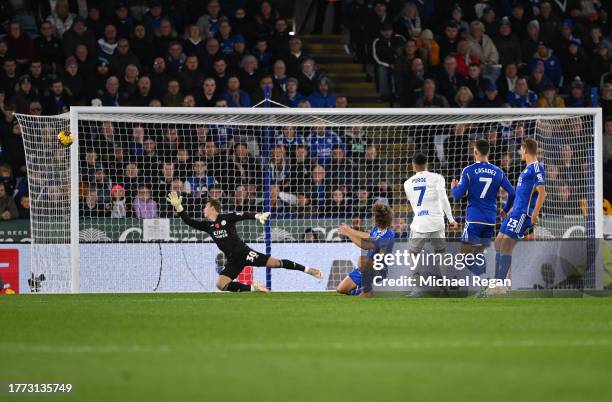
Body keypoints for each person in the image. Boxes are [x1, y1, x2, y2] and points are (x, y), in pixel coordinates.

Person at [167, 193, 322, 292]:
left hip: (245, 253)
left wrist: (257, 216)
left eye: (205, 206)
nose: (203, 209)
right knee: (221, 285)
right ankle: (254, 288)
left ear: (213, 208)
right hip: (233, 260)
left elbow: (242, 215)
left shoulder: (226, 218)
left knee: (277, 263)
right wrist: (179, 207)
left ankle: (309, 270)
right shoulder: (208, 226)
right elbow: (190, 222)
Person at [450, 140, 516, 285]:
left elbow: (457, 195)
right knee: (478, 254)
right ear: (489, 152)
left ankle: (484, 279)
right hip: (490, 220)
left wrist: (454, 187)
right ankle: (484, 288)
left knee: (464, 256)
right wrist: (505, 210)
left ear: (475, 152)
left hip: (474, 219)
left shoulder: (468, 170)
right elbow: (512, 193)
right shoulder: (498, 172)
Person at [494, 139, 546, 295]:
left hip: (524, 214)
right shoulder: (527, 169)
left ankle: (499, 285)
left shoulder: (536, 167)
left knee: (506, 245)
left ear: (525, 149)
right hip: (515, 212)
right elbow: (522, 194)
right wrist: (509, 210)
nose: (519, 152)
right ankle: (498, 282)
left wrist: (534, 214)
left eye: (520, 149)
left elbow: (542, 193)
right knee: (498, 243)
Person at [403, 152, 458, 297]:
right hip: (437, 222)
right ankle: (444, 285)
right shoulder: (437, 178)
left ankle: (417, 289)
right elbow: (444, 198)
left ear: (413, 165)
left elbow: (414, 204)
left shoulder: (407, 183)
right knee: (440, 252)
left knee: (413, 253)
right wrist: (451, 219)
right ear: (427, 164)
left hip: (420, 223)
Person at [336, 203, 395, 297]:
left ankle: (367, 290)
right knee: (341, 289)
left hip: (378, 269)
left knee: (361, 260)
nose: (372, 218)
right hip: (367, 268)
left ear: (377, 219)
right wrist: (348, 233)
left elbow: (366, 245)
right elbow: (365, 240)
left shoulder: (388, 235)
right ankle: (362, 290)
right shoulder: (377, 230)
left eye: (374, 216)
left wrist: (349, 231)